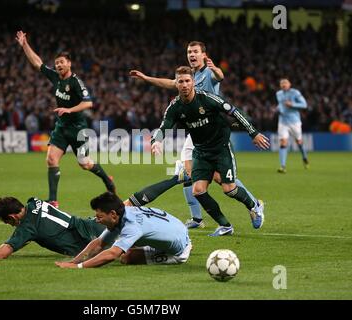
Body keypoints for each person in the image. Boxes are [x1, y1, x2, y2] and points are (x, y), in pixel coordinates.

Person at [130, 41, 260, 230]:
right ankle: (199, 218)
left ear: (203, 55)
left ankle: (252, 203)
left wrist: (216, 69)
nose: (191, 54)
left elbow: (219, 77)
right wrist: (146, 78)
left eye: (195, 52)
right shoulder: (187, 77)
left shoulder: (207, 72)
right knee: (191, 174)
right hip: (196, 130)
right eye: (189, 51)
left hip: (212, 128)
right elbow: (170, 84)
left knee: (217, 180)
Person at [151, 66, 270, 237]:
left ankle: (254, 206)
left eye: (187, 81)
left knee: (229, 189)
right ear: (176, 84)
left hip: (221, 149)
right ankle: (225, 225)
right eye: (180, 81)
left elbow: (234, 112)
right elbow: (164, 126)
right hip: (201, 152)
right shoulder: (175, 107)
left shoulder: (207, 99)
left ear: (193, 82)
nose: (184, 85)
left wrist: (253, 132)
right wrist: (156, 141)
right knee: (198, 190)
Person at [15, 31, 115, 208]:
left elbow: (88, 103)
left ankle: (108, 180)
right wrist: (25, 45)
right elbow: (37, 63)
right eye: (57, 63)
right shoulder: (55, 77)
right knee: (51, 160)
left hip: (78, 129)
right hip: (61, 128)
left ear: (69, 64)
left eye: (61, 62)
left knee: (85, 164)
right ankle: (53, 200)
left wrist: (68, 109)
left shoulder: (76, 82)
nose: (58, 65)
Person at [55, 192, 191, 268]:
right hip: (178, 229)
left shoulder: (132, 226)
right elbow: (99, 243)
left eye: (99, 217)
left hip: (178, 251)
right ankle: (184, 242)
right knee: (127, 245)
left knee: (126, 257)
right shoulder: (124, 213)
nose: (96, 220)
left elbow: (112, 254)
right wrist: (74, 261)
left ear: (113, 214)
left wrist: (79, 267)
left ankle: (185, 250)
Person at [0, 197, 105, 259]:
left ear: (12, 217)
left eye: (8, 222)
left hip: (94, 241)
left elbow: (2, 254)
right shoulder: (34, 201)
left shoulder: (28, 227)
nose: (11, 226)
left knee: (126, 256)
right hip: (95, 223)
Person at [275, 78, 309, 173]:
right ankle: (283, 166)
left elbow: (304, 105)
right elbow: (281, 105)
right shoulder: (278, 94)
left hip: (294, 121)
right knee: (283, 142)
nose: (283, 84)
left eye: (285, 83)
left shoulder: (295, 93)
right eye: (281, 83)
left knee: (299, 141)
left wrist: (292, 104)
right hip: (282, 121)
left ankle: (304, 157)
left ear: (289, 84)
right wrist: (278, 108)